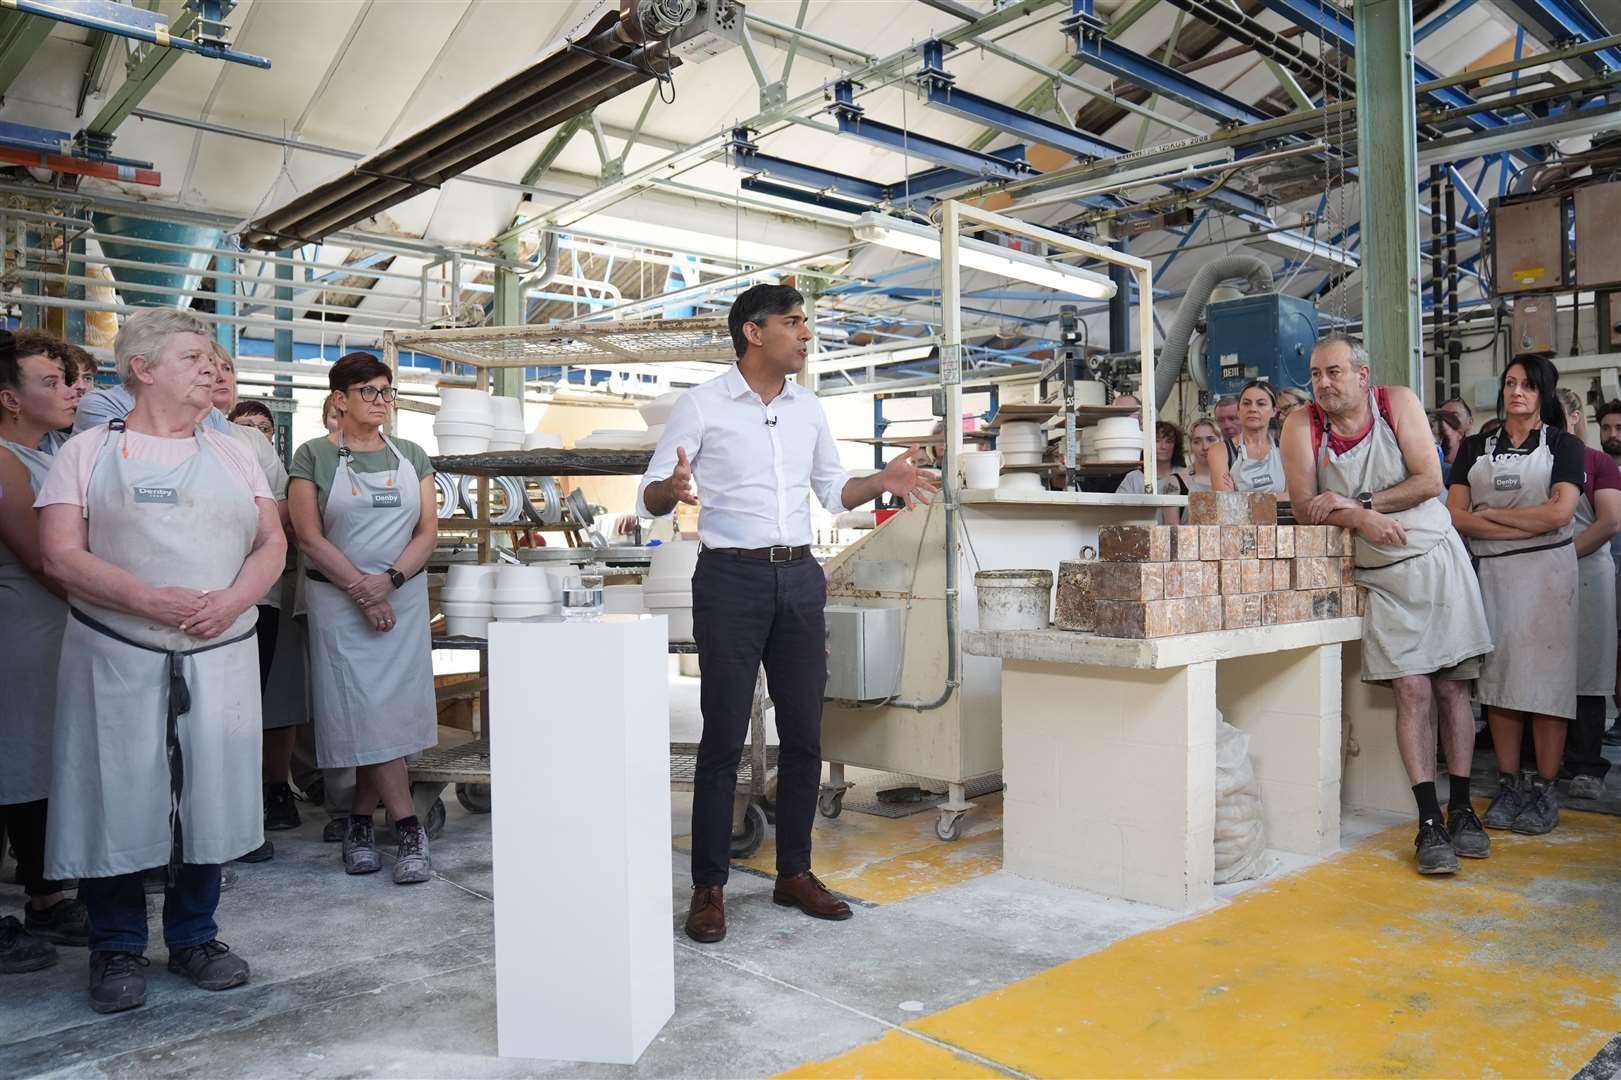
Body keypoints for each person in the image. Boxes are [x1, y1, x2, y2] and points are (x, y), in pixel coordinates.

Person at [638, 283, 937, 945]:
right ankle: (708, 887)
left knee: (804, 735)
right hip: (729, 579)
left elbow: (834, 492)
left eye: (807, 323)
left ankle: (794, 873)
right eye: (794, 323)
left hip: (800, 577)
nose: (805, 335)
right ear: (753, 331)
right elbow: (652, 495)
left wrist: (879, 483)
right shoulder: (702, 405)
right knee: (722, 741)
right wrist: (673, 488)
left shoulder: (807, 410)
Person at [37, 307, 285, 1014]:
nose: (211, 368)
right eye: (192, 358)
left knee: (207, 792)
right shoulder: (85, 453)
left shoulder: (237, 448)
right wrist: (152, 599)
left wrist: (233, 599)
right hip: (116, 652)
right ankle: (116, 945)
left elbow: (272, 542)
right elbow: (61, 554)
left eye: (213, 359)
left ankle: (195, 937)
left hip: (219, 645)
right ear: (142, 369)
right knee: (114, 790)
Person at [1283, 335, 1494, 874]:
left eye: (1333, 372)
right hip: (1381, 575)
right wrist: (1361, 520)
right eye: (1314, 374)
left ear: (1361, 373)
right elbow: (1308, 506)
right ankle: (1429, 820)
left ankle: (1464, 806)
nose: (1323, 384)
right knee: (1411, 687)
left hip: (1436, 558)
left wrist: (1361, 503)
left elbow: (1429, 480)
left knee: (1452, 687)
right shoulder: (1302, 427)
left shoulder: (1394, 403)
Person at [289, 352, 438, 885]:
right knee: (364, 712)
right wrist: (362, 591)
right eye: (369, 392)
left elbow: (426, 532)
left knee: (390, 715)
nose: (380, 401)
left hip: (401, 598)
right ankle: (407, 827)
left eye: (386, 391)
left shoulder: (414, 456)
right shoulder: (312, 457)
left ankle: (357, 823)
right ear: (340, 399)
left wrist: (389, 582)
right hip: (339, 604)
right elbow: (308, 537)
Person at [1446, 354, 1582, 836]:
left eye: (1526, 385)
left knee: (1546, 686)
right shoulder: (1475, 447)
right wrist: (1524, 521)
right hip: (1495, 577)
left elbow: (1560, 516)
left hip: (1549, 577)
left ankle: (1544, 790)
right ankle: (1508, 784)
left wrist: (1492, 519)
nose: (1515, 392)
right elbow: (1456, 515)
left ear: (1543, 393)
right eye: (1509, 383)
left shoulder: (1564, 445)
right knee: (1501, 683)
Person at [0, 331, 91, 973]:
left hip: (54, 632)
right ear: (9, 398)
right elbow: (44, 560)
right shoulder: (3, 458)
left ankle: (46, 893)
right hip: (19, 634)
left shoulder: (49, 452)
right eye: (50, 384)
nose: (68, 393)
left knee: (38, 763)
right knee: (16, 765)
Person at [209, 345, 302, 862]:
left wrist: (248, 545)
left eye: (227, 368)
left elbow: (281, 505)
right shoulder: (128, 437)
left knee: (244, 709)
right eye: (206, 366)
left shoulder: (248, 440)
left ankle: (241, 820)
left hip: (253, 596)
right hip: (185, 601)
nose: (218, 376)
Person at [1554, 388, 1619, 800]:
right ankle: (1546, 759)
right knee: (1545, 668)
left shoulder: (1597, 463)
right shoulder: (1536, 463)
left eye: (1557, 413)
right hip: (1540, 575)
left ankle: (1586, 764)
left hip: (1588, 572)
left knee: (1590, 669)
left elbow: (1609, 522)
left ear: (1576, 417)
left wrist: (1561, 557)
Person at [1117, 421, 1189, 524]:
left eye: (1169, 441)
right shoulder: (1133, 478)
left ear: (1175, 446)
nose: (1163, 446)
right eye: (1157, 441)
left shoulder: (1185, 475)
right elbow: (1117, 513)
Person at [1600, 400, 1621, 744]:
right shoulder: (1596, 465)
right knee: (1614, 649)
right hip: (1605, 570)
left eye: (1619, 428)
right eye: (1606, 428)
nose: (1612, 435)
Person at [1227, 380, 1287, 492]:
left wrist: (1238, 496)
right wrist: (1277, 497)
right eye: (1246, 403)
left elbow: (1293, 499)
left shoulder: (1285, 449)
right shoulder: (1221, 451)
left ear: (1274, 411)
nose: (1253, 409)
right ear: (1238, 411)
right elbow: (1225, 504)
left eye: (1261, 404)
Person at [1184, 418, 1226, 492]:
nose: (1205, 447)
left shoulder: (1235, 476)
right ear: (1191, 445)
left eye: (1211, 440)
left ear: (1221, 441)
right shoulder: (1179, 480)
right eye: (1197, 442)